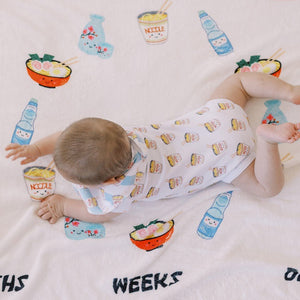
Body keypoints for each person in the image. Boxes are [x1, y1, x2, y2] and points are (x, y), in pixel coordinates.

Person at [5, 73, 300, 224]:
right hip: (217, 118)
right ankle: (289, 91)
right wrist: (36, 148)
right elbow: (66, 136)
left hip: (228, 157)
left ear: (110, 182)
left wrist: (62, 205)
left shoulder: (118, 192)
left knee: (266, 188)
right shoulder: (120, 134)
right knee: (238, 81)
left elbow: (101, 214)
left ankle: (264, 141)